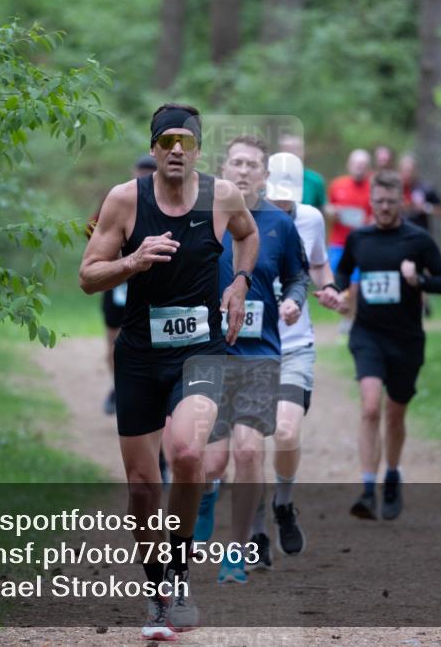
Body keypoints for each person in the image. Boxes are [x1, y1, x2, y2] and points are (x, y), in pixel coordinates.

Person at [79, 103, 259, 640]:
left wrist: (239, 283)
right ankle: (157, 592)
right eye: (166, 141)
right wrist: (133, 261)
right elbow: (88, 276)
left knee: (186, 453)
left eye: (186, 141)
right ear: (154, 148)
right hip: (139, 354)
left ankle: (180, 577)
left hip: (200, 351)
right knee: (141, 487)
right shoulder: (124, 200)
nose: (176, 150)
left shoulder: (222, 196)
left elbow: (248, 235)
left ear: (199, 149)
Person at [193, 136, 310, 585]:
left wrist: (294, 300)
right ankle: (206, 496)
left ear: (265, 176)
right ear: (223, 169)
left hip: (259, 354)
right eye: (237, 163)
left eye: (252, 165)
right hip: (208, 353)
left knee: (247, 451)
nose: (243, 171)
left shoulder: (279, 224)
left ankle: (236, 552)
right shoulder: (202, 216)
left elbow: (297, 276)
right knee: (211, 463)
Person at [316, 169, 441, 522]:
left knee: (395, 413)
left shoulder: (418, 241)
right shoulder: (359, 238)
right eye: (378, 201)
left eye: (391, 202)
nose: (384, 208)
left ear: (401, 202)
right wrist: (336, 291)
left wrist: (417, 279)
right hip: (368, 334)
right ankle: (367, 489)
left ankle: (391, 475)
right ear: (371, 201)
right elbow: (343, 272)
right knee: (370, 407)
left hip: (406, 339)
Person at [245, 151, 333, 567]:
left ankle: (283, 501)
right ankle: (256, 528)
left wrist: (329, 289)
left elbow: (319, 265)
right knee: (248, 447)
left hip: (295, 346)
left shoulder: (311, 219)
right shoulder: (245, 220)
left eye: (288, 198)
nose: (281, 204)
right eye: (274, 196)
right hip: (249, 347)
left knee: (285, 432)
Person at [95, 155, 158, 416]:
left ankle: (147, 391)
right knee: (114, 341)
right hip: (119, 281)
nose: (144, 176)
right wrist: (119, 255)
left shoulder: (168, 203)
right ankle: (118, 387)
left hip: (151, 285)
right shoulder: (119, 198)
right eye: (141, 171)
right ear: (134, 171)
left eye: (150, 172)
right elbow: (93, 231)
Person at [325, 149, 372, 332]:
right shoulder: (337, 185)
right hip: (338, 244)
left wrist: (369, 221)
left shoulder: (373, 187)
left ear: (368, 168)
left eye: (363, 165)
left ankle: (351, 320)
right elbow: (327, 207)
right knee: (339, 283)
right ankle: (348, 316)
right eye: (356, 164)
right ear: (349, 165)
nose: (359, 168)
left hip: (362, 244)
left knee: (356, 284)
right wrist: (332, 211)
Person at [398, 153, 441, 317]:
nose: (407, 174)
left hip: (421, 237)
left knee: (420, 270)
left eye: (410, 170)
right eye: (404, 170)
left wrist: (425, 207)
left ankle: (423, 303)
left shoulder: (426, 189)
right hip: (400, 237)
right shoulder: (395, 190)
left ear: (415, 171)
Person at [278, 133, 327, 211]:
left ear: (303, 152)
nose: (291, 154)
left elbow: (323, 208)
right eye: (286, 149)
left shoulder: (314, 180)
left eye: (295, 149)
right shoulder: (268, 178)